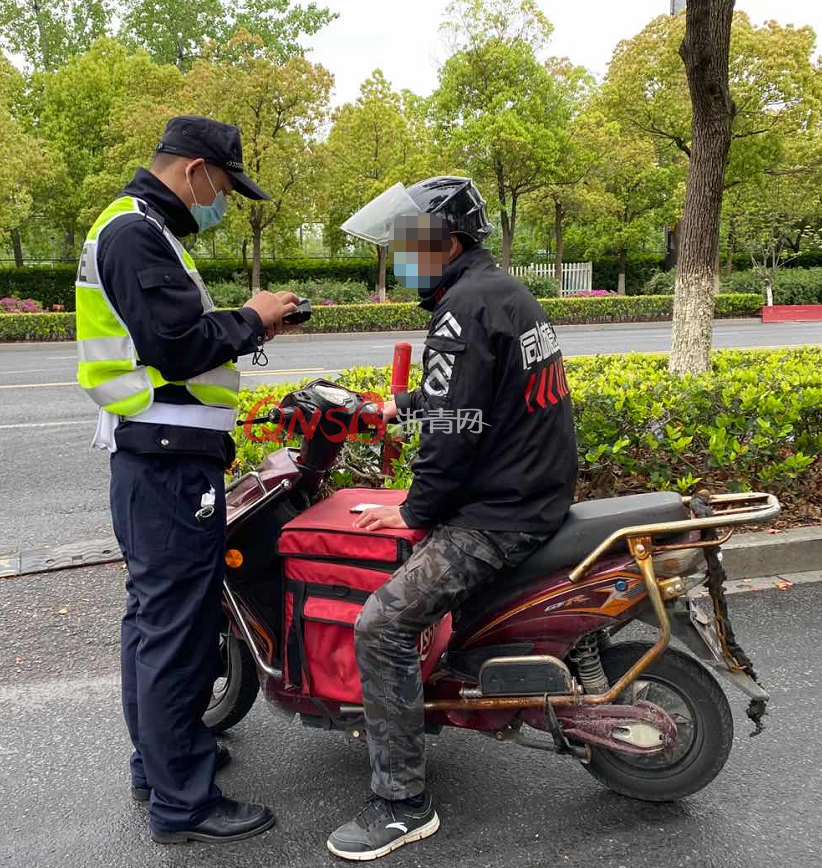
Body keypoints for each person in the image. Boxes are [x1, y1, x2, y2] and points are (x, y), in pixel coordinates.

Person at [326, 178, 579, 861]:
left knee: (380, 624)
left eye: (411, 246)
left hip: (499, 513)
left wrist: (411, 513)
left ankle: (402, 804)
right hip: (532, 491)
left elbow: (450, 439)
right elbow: (470, 398)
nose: (402, 259)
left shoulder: (460, 310)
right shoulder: (502, 292)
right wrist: (396, 405)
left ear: (447, 242)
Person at [75, 115, 300, 845]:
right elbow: (177, 345)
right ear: (195, 170)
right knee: (176, 630)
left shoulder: (140, 228)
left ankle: (163, 763)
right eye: (225, 186)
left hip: (157, 459)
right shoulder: (136, 232)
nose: (224, 201)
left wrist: (251, 325)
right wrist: (256, 319)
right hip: (167, 464)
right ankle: (185, 803)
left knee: (152, 623)